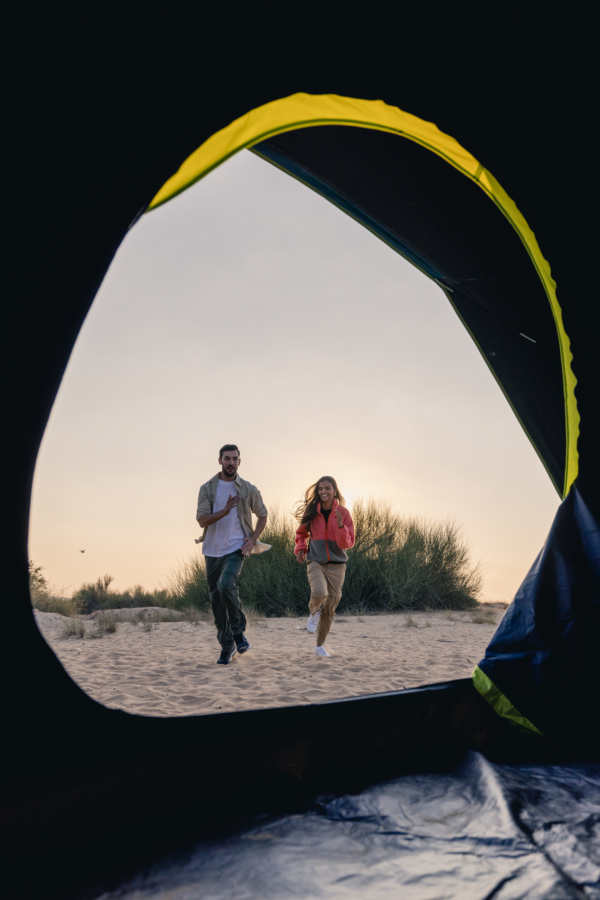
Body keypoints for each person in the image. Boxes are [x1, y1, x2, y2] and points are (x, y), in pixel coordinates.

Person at [196, 444, 268, 665]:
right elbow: (202, 520)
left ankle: (238, 634)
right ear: (220, 461)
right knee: (217, 602)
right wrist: (224, 511)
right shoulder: (208, 488)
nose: (231, 462)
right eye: (227, 459)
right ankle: (227, 646)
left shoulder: (247, 489)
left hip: (237, 547)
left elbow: (263, 515)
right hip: (212, 550)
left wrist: (252, 539)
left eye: (235, 459)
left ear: (239, 461)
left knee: (226, 585)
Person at [294, 476, 355, 657]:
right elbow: (301, 534)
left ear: (334, 491)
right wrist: (301, 549)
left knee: (331, 607)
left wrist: (342, 526)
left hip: (337, 565)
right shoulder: (312, 512)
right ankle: (314, 612)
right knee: (319, 593)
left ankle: (319, 646)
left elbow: (347, 544)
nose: (324, 492)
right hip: (316, 561)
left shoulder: (343, 512)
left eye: (327, 488)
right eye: (321, 489)